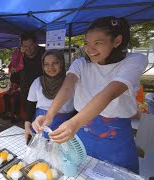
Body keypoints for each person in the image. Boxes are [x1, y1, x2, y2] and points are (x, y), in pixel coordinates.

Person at [32, 16, 148, 173]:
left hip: (116, 139)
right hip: (83, 135)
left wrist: (74, 123)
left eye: (98, 43)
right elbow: (67, 88)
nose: (90, 49)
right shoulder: (80, 63)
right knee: (78, 172)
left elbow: (109, 93)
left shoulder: (134, 61)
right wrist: (49, 116)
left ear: (117, 41)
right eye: (87, 43)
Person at [25, 49, 74, 142]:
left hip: (63, 128)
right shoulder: (37, 82)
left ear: (62, 63)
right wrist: (27, 126)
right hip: (39, 126)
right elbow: (30, 106)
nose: (50, 67)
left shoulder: (71, 82)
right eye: (46, 64)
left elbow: (78, 109)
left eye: (55, 62)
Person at [19, 32, 45, 110]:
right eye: (25, 46)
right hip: (26, 97)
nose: (28, 49)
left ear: (35, 44)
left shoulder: (45, 54)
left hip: (43, 96)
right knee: (28, 120)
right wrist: (14, 72)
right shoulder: (20, 58)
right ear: (22, 46)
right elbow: (15, 79)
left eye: (30, 45)